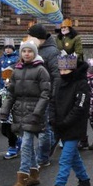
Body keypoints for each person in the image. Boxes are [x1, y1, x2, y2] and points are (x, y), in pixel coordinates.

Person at [0, 40, 51, 186]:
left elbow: (46, 93)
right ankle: (34, 174)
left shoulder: (41, 71)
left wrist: (38, 112)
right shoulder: (17, 70)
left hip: (34, 112)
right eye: (24, 51)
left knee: (25, 144)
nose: (26, 54)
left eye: (30, 51)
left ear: (34, 53)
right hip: (19, 112)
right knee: (27, 144)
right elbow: (11, 94)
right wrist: (4, 110)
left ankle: (22, 179)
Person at [42, 54, 92, 186]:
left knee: (65, 159)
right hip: (60, 125)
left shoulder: (82, 84)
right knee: (73, 157)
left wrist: (65, 122)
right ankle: (84, 182)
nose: (63, 73)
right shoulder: (59, 83)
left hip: (74, 127)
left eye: (66, 70)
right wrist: (53, 119)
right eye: (61, 69)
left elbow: (80, 107)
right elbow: (52, 101)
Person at [27, 23, 62, 168]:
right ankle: (46, 147)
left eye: (31, 35)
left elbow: (57, 75)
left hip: (46, 94)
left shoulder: (52, 52)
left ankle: (43, 157)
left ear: (38, 38)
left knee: (44, 127)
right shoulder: (33, 50)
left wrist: (53, 95)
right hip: (33, 94)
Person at [0, 40, 21, 157]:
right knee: (3, 128)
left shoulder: (17, 61)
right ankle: (17, 140)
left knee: (9, 124)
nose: (7, 49)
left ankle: (13, 146)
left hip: (13, 94)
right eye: (6, 47)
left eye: (10, 47)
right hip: (2, 91)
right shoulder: (1, 60)